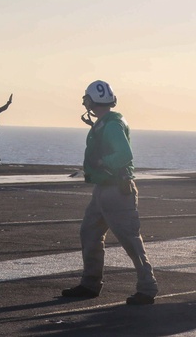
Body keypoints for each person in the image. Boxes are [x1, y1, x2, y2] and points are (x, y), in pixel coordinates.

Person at [61, 80, 158, 306]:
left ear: (93, 100)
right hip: (103, 189)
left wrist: (104, 163)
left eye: (87, 98)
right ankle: (90, 283)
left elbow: (125, 155)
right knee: (89, 233)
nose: (85, 102)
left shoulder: (111, 125)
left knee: (131, 241)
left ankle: (148, 287)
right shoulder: (107, 122)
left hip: (117, 190)